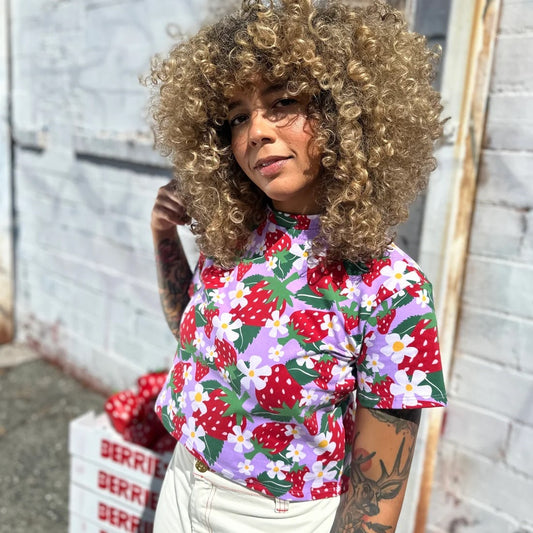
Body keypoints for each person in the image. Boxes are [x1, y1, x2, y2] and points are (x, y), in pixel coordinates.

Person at [146, 0, 447, 531]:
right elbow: (196, 346)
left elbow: (375, 500)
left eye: (283, 102)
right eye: (238, 116)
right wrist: (163, 234)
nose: (256, 131)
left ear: (345, 115)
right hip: (181, 481)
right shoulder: (235, 236)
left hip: (275, 518)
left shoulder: (390, 288)